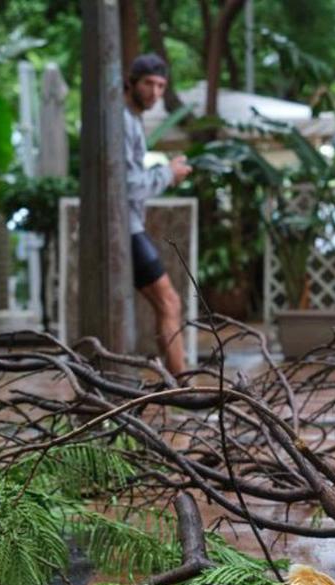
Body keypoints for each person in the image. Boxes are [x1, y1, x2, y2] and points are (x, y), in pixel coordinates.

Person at [124, 53, 191, 375]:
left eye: (161, 86)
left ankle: (176, 382)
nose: (154, 92)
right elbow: (129, 186)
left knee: (166, 303)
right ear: (132, 82)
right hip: (124, 227)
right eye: (148, 83)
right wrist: (168, 174)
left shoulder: (131, 119)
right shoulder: (123, 120)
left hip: (128, 225)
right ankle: (183, 388)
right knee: (169, 302)